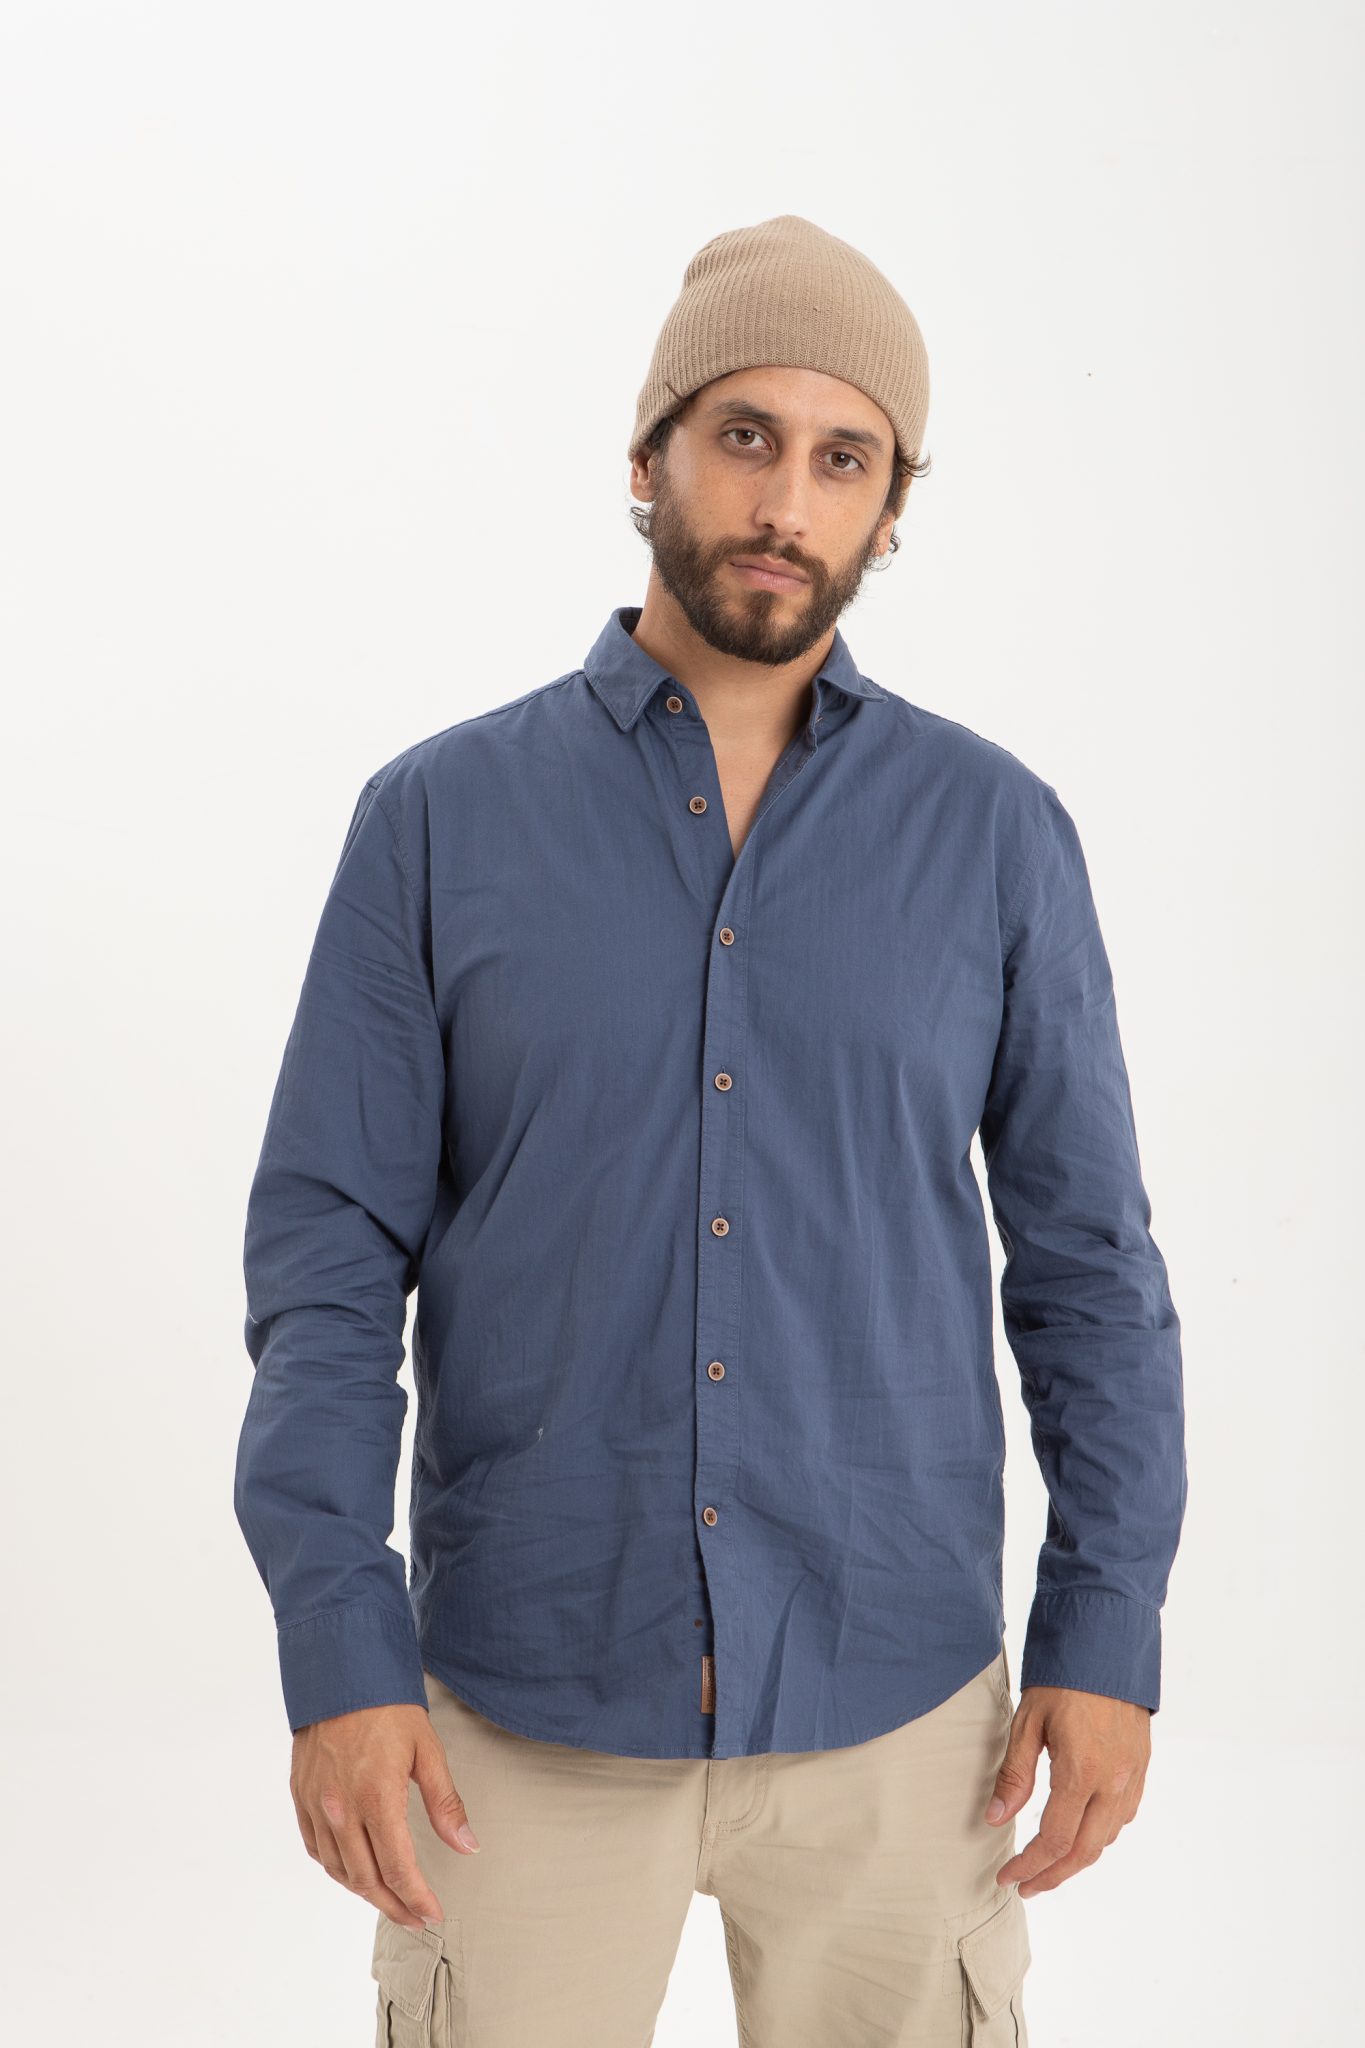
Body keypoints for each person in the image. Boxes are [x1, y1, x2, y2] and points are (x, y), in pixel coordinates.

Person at [234, 212, 1187, 2047]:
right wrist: (339, 1647)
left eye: (845, 459)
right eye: (744, 435)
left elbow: (1088, 1268)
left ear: (888, 509)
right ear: (648, 456)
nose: (786, 500)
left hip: (900, 1709)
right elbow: (328, 1266)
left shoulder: (993, 834)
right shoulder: (436, 821)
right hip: (514, 1710)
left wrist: (1106, 1627)